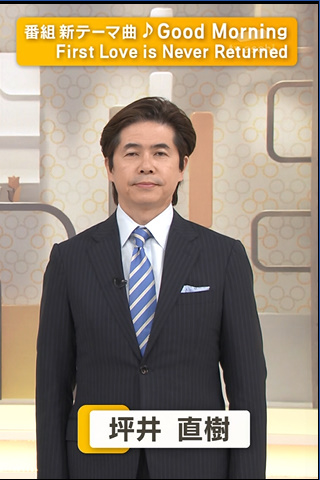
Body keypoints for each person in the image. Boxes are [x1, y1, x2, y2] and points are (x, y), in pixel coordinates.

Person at [35, 97, 267, 479]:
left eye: (160, 153)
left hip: (195, 463)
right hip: (97, 463)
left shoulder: (224, 257)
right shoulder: (69, 259)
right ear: (109, 167)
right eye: (132, 153)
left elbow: (248, 387)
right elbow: (51, 388)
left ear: (182, 166)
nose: (146, 165)